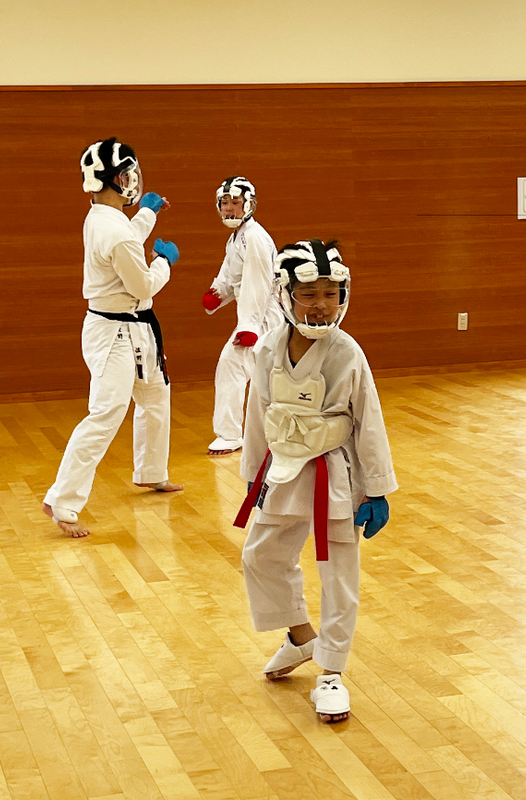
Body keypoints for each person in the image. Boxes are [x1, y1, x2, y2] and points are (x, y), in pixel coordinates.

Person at [233, 239, 396, 724]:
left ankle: (331, 673)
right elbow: (257, 416)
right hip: (284, 468)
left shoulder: (347, 352)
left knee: (337, 575)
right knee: (260, 555)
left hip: (335, 474)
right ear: (286, 295)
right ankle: (303, 637)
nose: (321, 304)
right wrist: (253, 476)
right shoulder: (268, 349)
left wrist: (377, 489)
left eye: (330, 293)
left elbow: (369, 421)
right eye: (309, 293)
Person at [44, 138, 183, 538]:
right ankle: (61, 500)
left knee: (155, 396)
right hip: (114, 333)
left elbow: (127, 235)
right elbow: (143, 284)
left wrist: (147, 213)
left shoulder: (104, 217)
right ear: (113, 179)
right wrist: (164, 263)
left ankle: (152, 471)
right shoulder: (114, 230)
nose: (132, 180)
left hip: (134, 327)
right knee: (106, 413)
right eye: (126, 174)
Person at [201, 176, 281, 456]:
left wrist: (249, 326)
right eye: (224, 203)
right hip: (256, 317)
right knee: (266, 377)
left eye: (235, 202)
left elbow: (257, 284)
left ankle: (229, 435)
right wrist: (218, 293)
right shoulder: (238, 237)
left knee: (232, 365)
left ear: (249, 205)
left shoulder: (254, 238)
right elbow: (231, 274)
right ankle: (260, 433)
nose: (229, 208)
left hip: (265, 317)